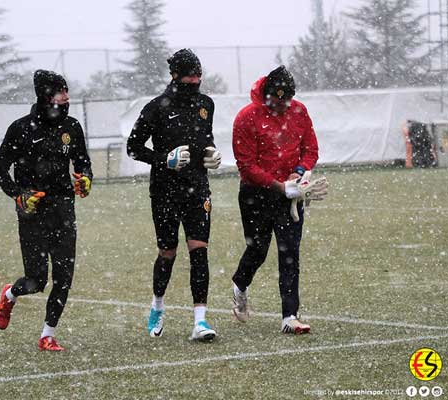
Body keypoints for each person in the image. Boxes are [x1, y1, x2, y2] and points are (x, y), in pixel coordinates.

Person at [0, 70, 93, 352]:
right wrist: (18, 196)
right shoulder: (20, 129)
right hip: (32, 215)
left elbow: (83, 163)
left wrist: (85, 179)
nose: (67, 97)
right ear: (47, 96)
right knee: (36, 281)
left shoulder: (72, 127)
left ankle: (47, 335)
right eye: (62, 91)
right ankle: (10, 294)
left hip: (63, 211)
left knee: (64, 278)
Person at [127, 49, 223, 341]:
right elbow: (133, 147)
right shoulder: (157, 107)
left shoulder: (206, 104)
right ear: (175, 77)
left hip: (198, 189)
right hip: (165, 191)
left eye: (198, 75)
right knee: (167, 253)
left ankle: (200, 321)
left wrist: (212, 154)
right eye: (189, 76)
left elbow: (206, 140)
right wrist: (164, 159)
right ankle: (157, 305)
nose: (195, 80)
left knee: (199, 251)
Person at [230, 65, 323, 334]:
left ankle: (289, 315)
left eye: (286, 101)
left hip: (290, 193)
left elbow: (311, 149)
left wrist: (300, 172)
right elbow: (246, 166)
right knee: (257, 250)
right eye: (275, 101)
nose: (281, 107)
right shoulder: (247, 117)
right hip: (256, 195)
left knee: (290, 253)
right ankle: (240, 284)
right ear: (265, 95)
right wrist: (280, 186)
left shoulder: (299, 111)